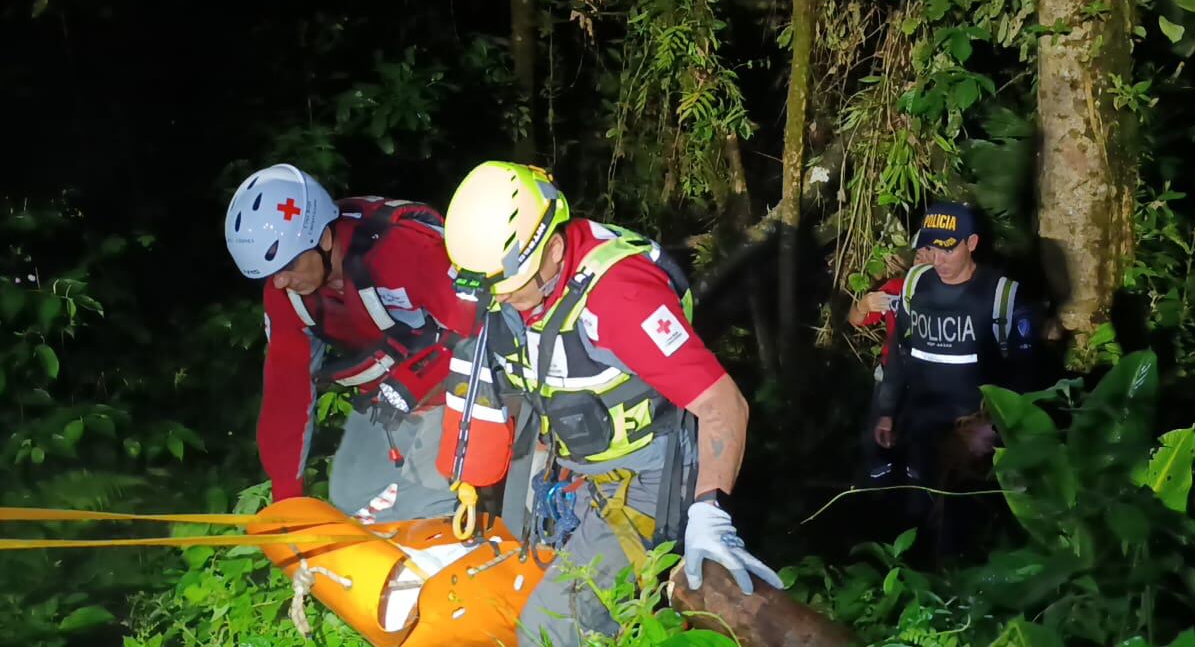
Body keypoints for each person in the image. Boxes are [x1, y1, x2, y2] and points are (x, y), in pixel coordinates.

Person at [440, 161, 782, 646]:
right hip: (574, 467)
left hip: (648, 482)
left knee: (551, 629)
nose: (504, 300)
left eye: (512, 288)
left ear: (554, 249)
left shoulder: (620, 299)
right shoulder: (506, 279)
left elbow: (724, 404)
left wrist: (710, 511)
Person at [224, 164, 475, 523]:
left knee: (422, 502)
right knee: (351, 497)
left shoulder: (404, 249)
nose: (281, 283)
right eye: (270, 275)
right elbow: (287, 394)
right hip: (392, 395)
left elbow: (481, 329)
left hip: (462, 381)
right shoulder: (287, 294)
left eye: (289, 265)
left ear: (324, 239)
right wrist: (286, 500)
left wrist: (422, 384)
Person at [873, 202, 1040, 559]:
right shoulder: (917, 284)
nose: (939, 258)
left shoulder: (1001, 295)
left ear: (973, 243)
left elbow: (1025, 371)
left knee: (964, 521)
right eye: (932, 247)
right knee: (913, 510)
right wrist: (887, 410)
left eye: (949, 247)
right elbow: (900, 351)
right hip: (919, 421)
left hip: (972, 431)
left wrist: (993, 426)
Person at [847, 244, 931, 485]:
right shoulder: (896, 289)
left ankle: (918, 491)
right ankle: (876, 489)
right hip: (890, 372)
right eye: (919, 251)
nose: (921, 256)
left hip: (927, 379)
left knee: (920, 444)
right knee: (874, 439)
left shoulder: (950, 294)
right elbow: (855, 320)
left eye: (929, 251)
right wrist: (863, 306)